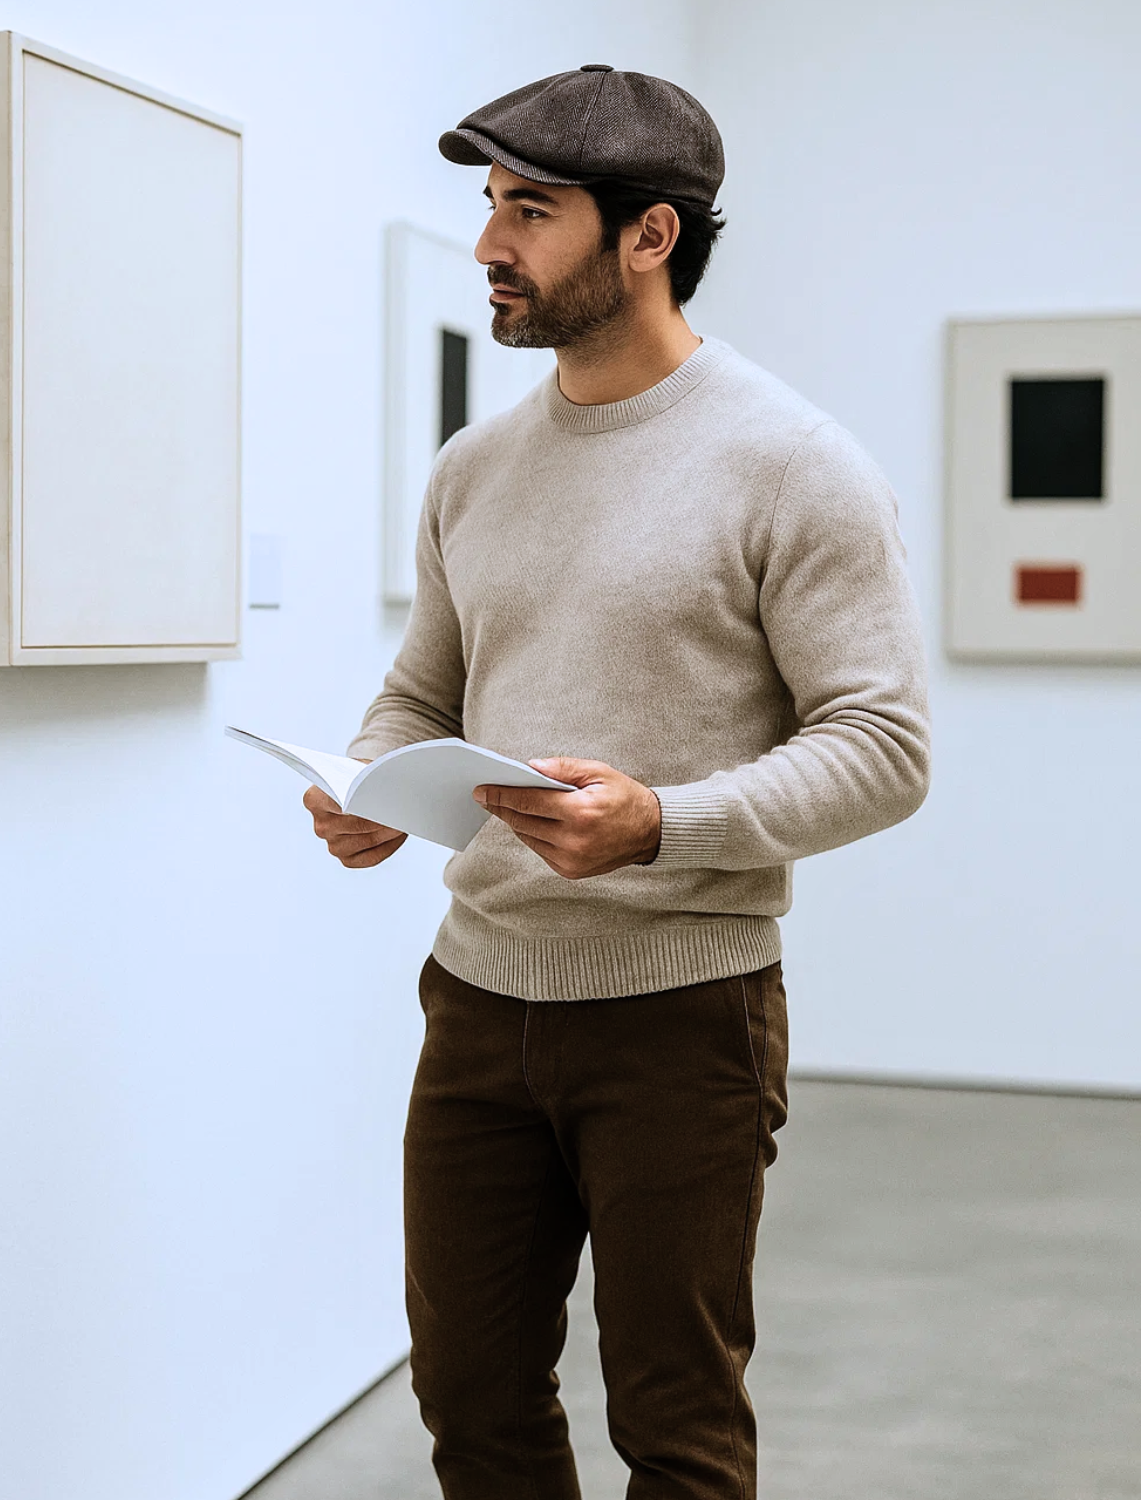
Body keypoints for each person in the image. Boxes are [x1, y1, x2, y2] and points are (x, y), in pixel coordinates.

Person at [304, 64, 930, 1500]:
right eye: (487, 206)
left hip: (683, 1016)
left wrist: (663, 822)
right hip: (474, 1002)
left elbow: (884, 745)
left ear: (650, 237)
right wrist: (374, 786)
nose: (489, 246)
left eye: (531, 210)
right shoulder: (474, 469)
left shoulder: (796, 466)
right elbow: (424, 690)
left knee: (677, 1427)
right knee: (470, 1400)